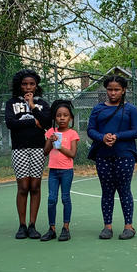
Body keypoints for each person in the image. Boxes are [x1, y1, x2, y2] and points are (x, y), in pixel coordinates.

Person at [86, 75, 137, 240]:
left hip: (125, 155)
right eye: (110, 89)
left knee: (124, 190)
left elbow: (136, 131)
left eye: (117, 89)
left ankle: (128, 227)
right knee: (107, 191)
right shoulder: (98, 109)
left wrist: (117, 136)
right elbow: (91, 130)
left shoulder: (131, 109)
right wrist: (102, 137)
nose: (113, 92)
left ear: (123, 90)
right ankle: (107, 227)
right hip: (103, 155)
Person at [5, 69, 51, 239]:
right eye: (25, 84)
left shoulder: (42, 104)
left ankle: (32, 225)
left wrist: (32, 107)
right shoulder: (11, 103)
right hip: (19, 149)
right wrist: (33, 121)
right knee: (23, 187)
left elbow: (46, 122)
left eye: (31, 84)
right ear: (20, 85)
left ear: (36, 85)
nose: (28, 87)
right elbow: (11, 123)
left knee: (35, 186)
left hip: (38, 148)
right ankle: (22, 225)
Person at [41, 100, 79, 242]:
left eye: (65, 115)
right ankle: (52, 229)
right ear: (54, 118)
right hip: (53, 172)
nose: (62, 118)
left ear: (70, 118)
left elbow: (73, 154)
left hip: (66, 171)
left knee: (65, 198)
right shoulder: (51, 132)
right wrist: (51, 141)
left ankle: (66, 228)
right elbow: (45, 151)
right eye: (58, 115)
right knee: (51, 199)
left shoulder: (72, 133)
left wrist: (59, 146)